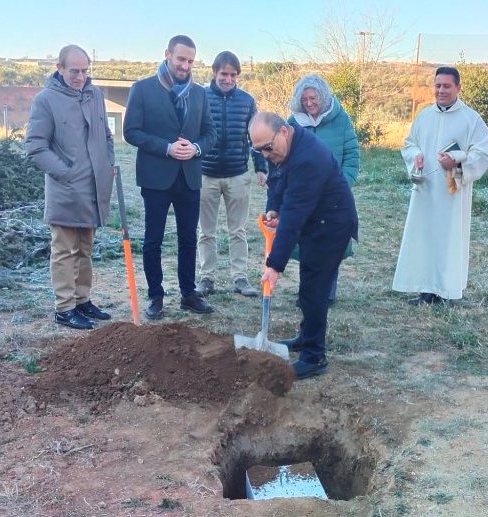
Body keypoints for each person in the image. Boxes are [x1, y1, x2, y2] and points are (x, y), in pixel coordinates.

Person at [249, 112, 358, 380]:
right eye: (259, 150)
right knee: (309, 285)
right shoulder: (287, 146)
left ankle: (313, 357)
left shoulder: (308, 158)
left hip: (331, 226)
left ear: (284, 132)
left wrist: (274, 265)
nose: (265, 155)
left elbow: (294, 216)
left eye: (268, 148)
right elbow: (280, 179)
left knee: (315, 290)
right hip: (316, 221)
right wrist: (274, 208)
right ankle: (306, 336)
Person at [123, 35, 217, 320]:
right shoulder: (142, 89)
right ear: (167, 54)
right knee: (153, 240)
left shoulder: (200, 93)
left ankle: (188, 294)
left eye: (190, 61)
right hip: (156, 179)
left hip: (189, 178)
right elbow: (131, 132)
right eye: (181, 59)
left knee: (188, 239)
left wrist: (196, 148)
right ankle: (155, 296)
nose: (185, 65)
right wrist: (166, 148)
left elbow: (211, 132)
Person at [25, 44, 115, 330]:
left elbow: (106, 135)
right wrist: (66, 173)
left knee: (86, 248)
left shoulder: (94, 95)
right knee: (65, 250)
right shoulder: (45, 100)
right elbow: (35, 146)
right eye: (74, 71)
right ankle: (65, 308)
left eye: (84, 70)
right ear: (59, 68)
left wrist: (107, 163)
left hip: (93, 189)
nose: (80, 77)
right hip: (65, 190)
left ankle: (82, 300)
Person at [392, 66, 488, 305]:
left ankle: (447, 292)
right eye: (437, 86)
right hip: (426, 189)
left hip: (452, 188)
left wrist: (455, 161)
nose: (441, 90)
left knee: (449, 240)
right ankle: (426, 290)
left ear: (458, 87)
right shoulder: (424, 116)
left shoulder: (471, 119)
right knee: (424, 238)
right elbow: (409, 144)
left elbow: (482, 154)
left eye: (447, 86)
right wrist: (416, 156)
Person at [195, 51, 268, 299]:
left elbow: (255, 138)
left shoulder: (247, 101)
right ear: (214, 72)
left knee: (238, 230)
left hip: (238, 174)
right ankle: (206, 277)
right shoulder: (201, 97)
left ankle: (240, 277)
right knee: (206, 231)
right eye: (224, 74)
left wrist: (261, 168)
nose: (228, 79)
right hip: (206, 175)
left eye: (233, 75)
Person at [287, 74, 359, 305]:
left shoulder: (341, 119)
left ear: (323, 97)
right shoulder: (293, 122)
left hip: (333, 195)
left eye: (313, 98)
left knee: (331, 243)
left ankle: (327, 293)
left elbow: (352, 155)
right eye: (304, 99)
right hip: (305, 194)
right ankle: (307, 293)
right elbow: (284, 156)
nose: (309, 103)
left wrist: (342, 185)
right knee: (306, 243)